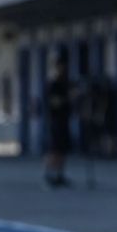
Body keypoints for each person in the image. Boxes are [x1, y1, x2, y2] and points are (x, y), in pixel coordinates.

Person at [44, 54, 72, 188]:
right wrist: (68, 99)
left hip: (65, 119)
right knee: (55, 148)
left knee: (63, 149)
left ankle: (60, 174)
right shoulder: (54, 84)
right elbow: (54, 103)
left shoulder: (66, 83)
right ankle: (49, 173)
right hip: (56, 120)